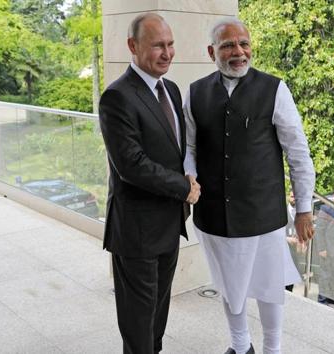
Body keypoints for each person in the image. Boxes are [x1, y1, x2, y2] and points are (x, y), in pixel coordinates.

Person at [183, 18, 315, 354]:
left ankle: (273, 349)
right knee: (230, 285)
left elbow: (298, 152)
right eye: (228, 45)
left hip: (263, 214)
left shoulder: (274, 89)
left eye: (244, 43)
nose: (238, 52)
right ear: (212, 51)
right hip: (214, 214)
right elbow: (190, 148)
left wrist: (304, 209)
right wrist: (189, 175)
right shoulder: (195, 92)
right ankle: (240, 346)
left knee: (270, 286)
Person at [98, 13, 201, 354]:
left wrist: (187, 178)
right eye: (158, 45)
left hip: (169, 225)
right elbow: (132, 165)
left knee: (157, 319)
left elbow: (174, 149)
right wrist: (182, 187)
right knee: (138, 326)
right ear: (133, 46)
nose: (167, 53)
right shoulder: (117, 97)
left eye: (170, 44)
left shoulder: (170, 89)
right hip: (136, 231)